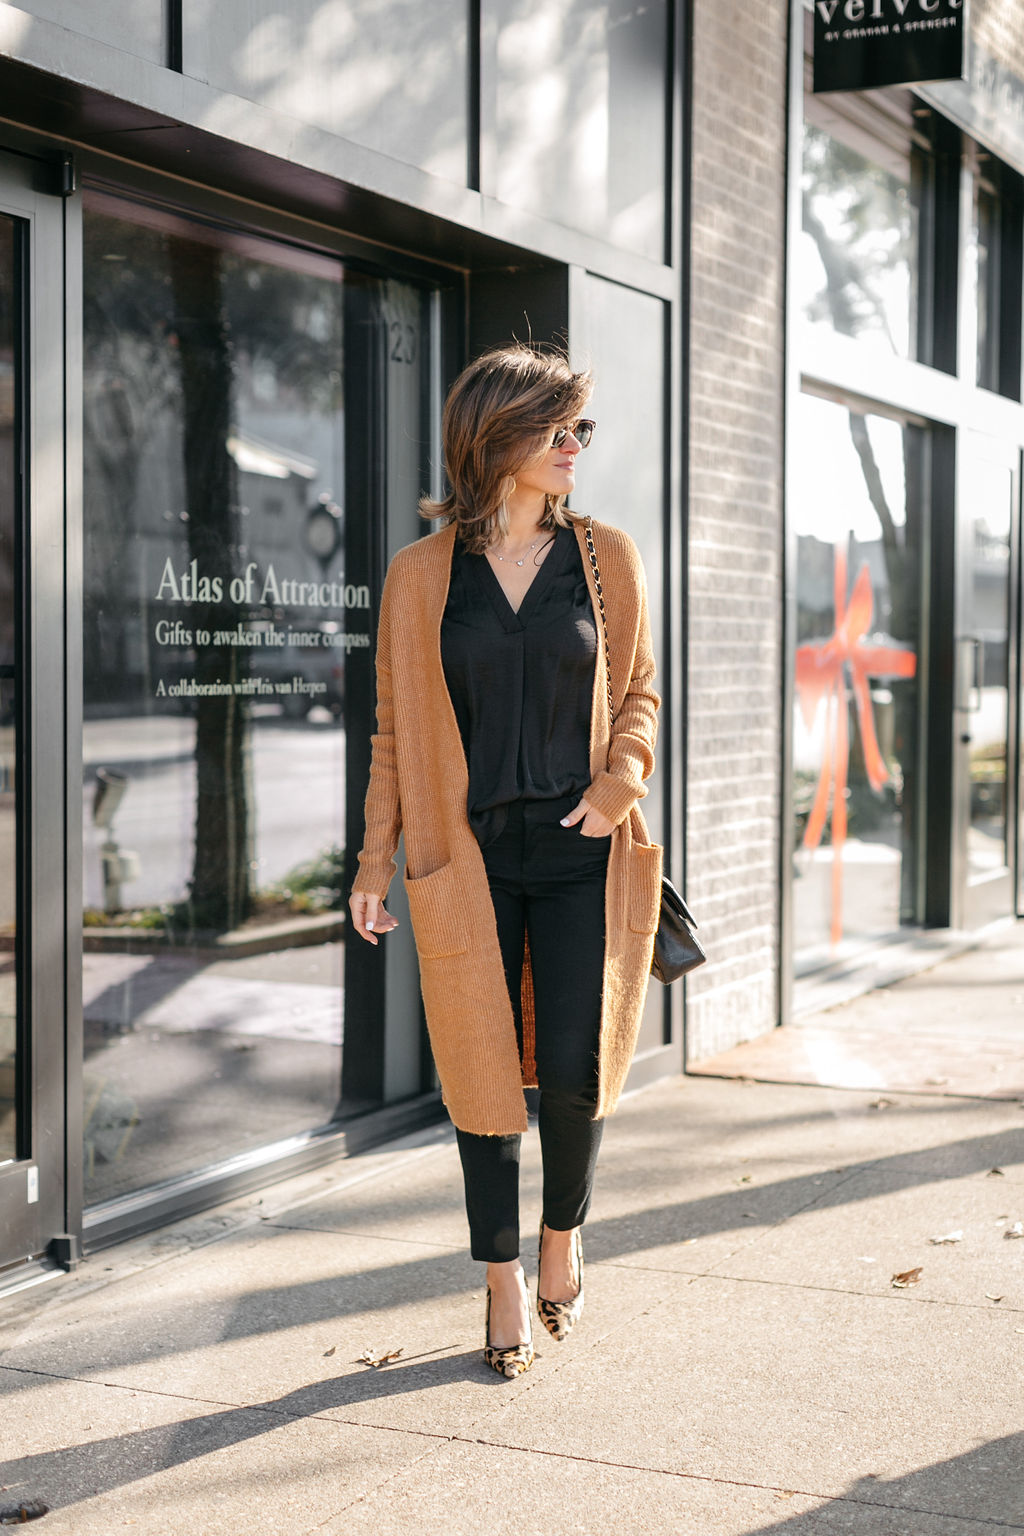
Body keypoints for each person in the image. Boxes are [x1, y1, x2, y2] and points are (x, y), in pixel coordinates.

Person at [349, 344, 661, 1378]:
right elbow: (394, 730)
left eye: (582, 429)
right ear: (498, 440)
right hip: (465, 862)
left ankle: (561, 1237)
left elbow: (639, 697)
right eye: (557, 429)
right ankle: (498, 1279)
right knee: (481, 1081)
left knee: (575, 1069)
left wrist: (616, 786)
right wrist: (371, 863)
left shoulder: (605, 559)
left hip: (580, 852)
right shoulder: (420, 575)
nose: (575, 447)